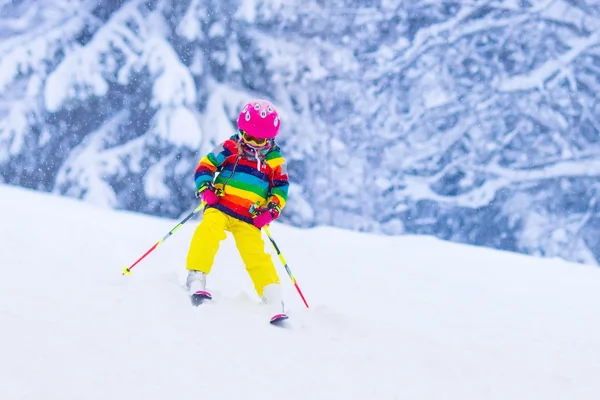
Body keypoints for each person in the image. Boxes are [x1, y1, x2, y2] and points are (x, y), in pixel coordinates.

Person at [185, 99, 290, 321]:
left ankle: (272, 297)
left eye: (259, 139)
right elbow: (205, 166)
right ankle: (196, 277)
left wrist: (270, 211)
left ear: (270, 138)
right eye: (248, 136)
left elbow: (280, 189)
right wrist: (205, 189)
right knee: (208, 232)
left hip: (249, 218)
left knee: (256, 256)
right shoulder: (230, 147)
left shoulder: (275, 161)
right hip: (220, 206)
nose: (252, 143)